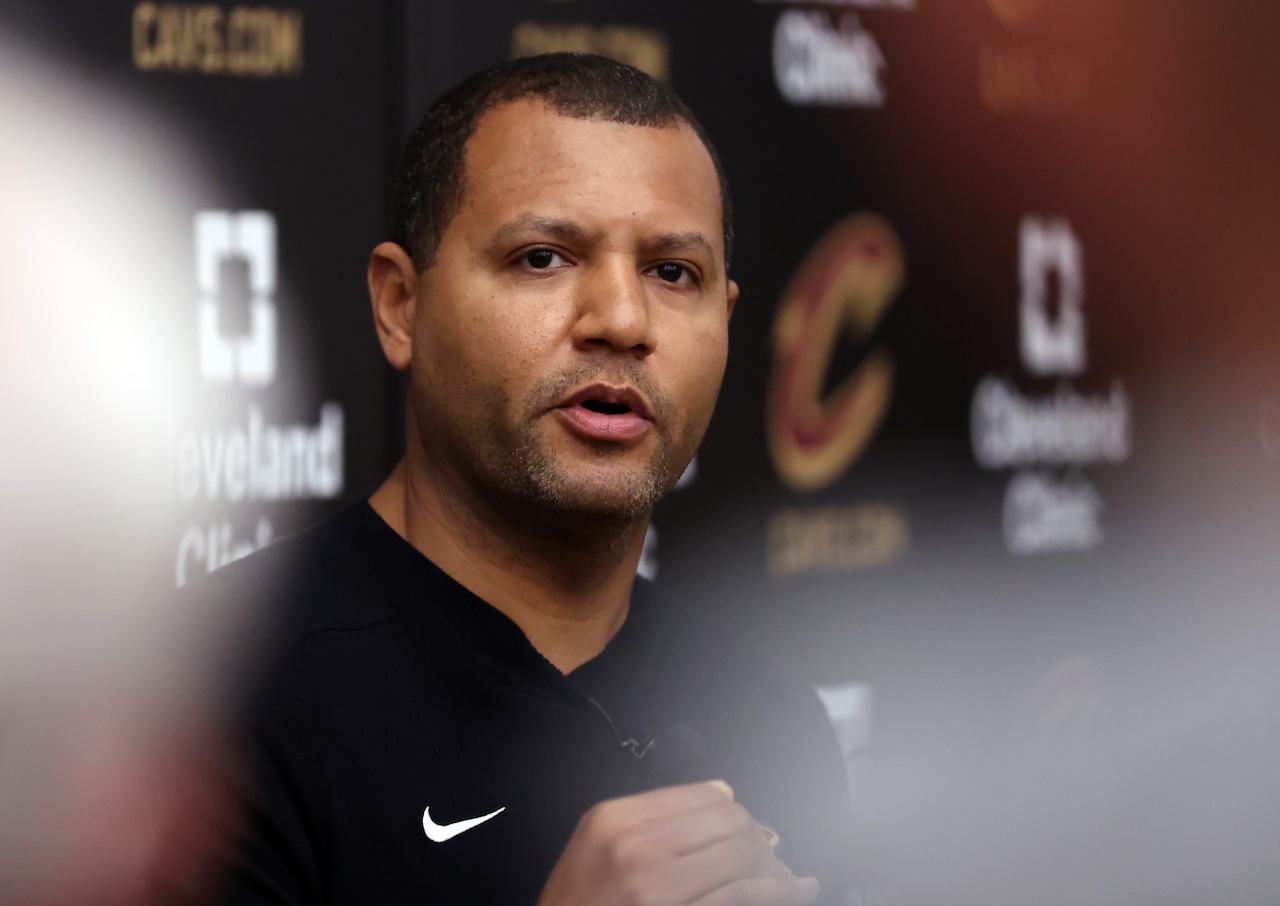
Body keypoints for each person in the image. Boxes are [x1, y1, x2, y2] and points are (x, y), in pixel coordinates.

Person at [207, 52, 853, 905]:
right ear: (401, 305)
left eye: (672, 273)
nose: (623, 320)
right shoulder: (221, 702)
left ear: (725, 322)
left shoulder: (772, 714)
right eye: (544, 258)